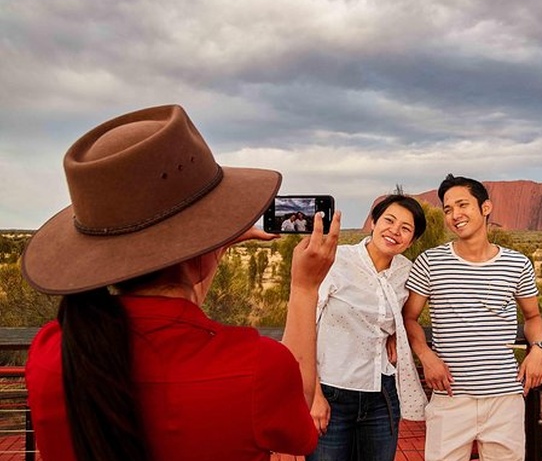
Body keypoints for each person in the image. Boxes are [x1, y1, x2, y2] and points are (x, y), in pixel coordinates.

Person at [21, 104, 341, 461]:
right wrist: (304, 288)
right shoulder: (256, 367)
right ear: (200, 251)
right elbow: (297, 420)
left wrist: (205, 244)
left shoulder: (52, 351)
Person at [402, 174, 542, 461]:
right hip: (450, 397)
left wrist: (538, 351)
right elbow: (409, 318)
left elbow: (533, 316)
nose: (455, 215)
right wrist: (426, 356)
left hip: (505, 398)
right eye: (447, 209)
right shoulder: (430, 261)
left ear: (485, 208)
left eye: (462, 205)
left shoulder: (517, 264)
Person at [307, 194, 429, 461]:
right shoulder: (337, 260)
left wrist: (396, 333)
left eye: (405, 228)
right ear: (373, 222)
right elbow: (306, 325)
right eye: (389, 220)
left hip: (381, 397)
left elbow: (404, 316)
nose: (395, 231)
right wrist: (313, 395)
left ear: (412, 240)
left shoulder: (406, 272)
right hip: (330, 393)